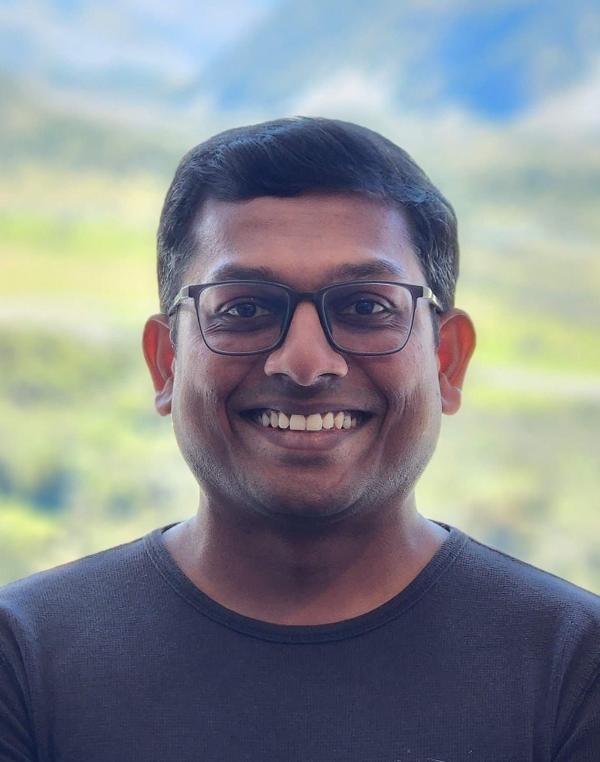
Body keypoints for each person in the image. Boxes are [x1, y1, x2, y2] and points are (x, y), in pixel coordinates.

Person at [0, 117, 598, 761]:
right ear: (166, 362)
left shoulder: (574, 666)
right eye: (244, 308)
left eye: (366, 307)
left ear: (446, 362)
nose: (306, 363)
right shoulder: (25, 660)